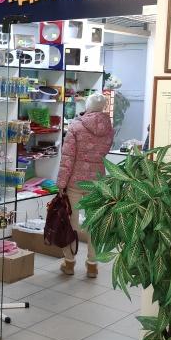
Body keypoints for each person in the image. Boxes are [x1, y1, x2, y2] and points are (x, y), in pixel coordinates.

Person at [56, 93, 113, 278]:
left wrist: (61, 183)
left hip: (75, 181)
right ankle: (92, 265)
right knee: (93, 224)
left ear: (87, 106)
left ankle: (69, 262)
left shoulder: (76, 126)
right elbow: (104, 152)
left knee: (71, 222)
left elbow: (67, 158)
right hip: (97, 183)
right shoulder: (109, 128)